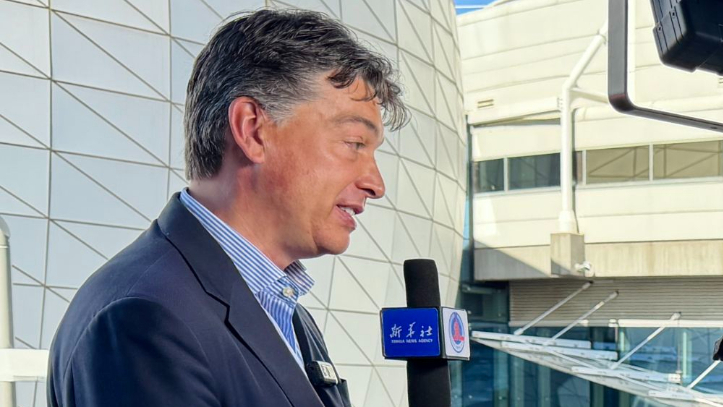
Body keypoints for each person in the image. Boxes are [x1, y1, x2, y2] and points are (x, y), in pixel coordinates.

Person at [47, 9, 408, 407]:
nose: (376, 185)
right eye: (354, 143)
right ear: (253, 130)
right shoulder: (146, 317)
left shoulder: (284, 314)